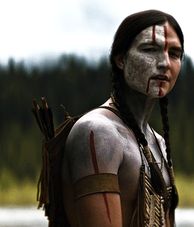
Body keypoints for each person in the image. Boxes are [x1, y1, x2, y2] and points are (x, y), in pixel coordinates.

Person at [62, 9, 184, 227]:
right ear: (121, 59)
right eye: (150, 49)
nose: (165, 62)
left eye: (174, 54)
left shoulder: (159, 143)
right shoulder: (98, 133)